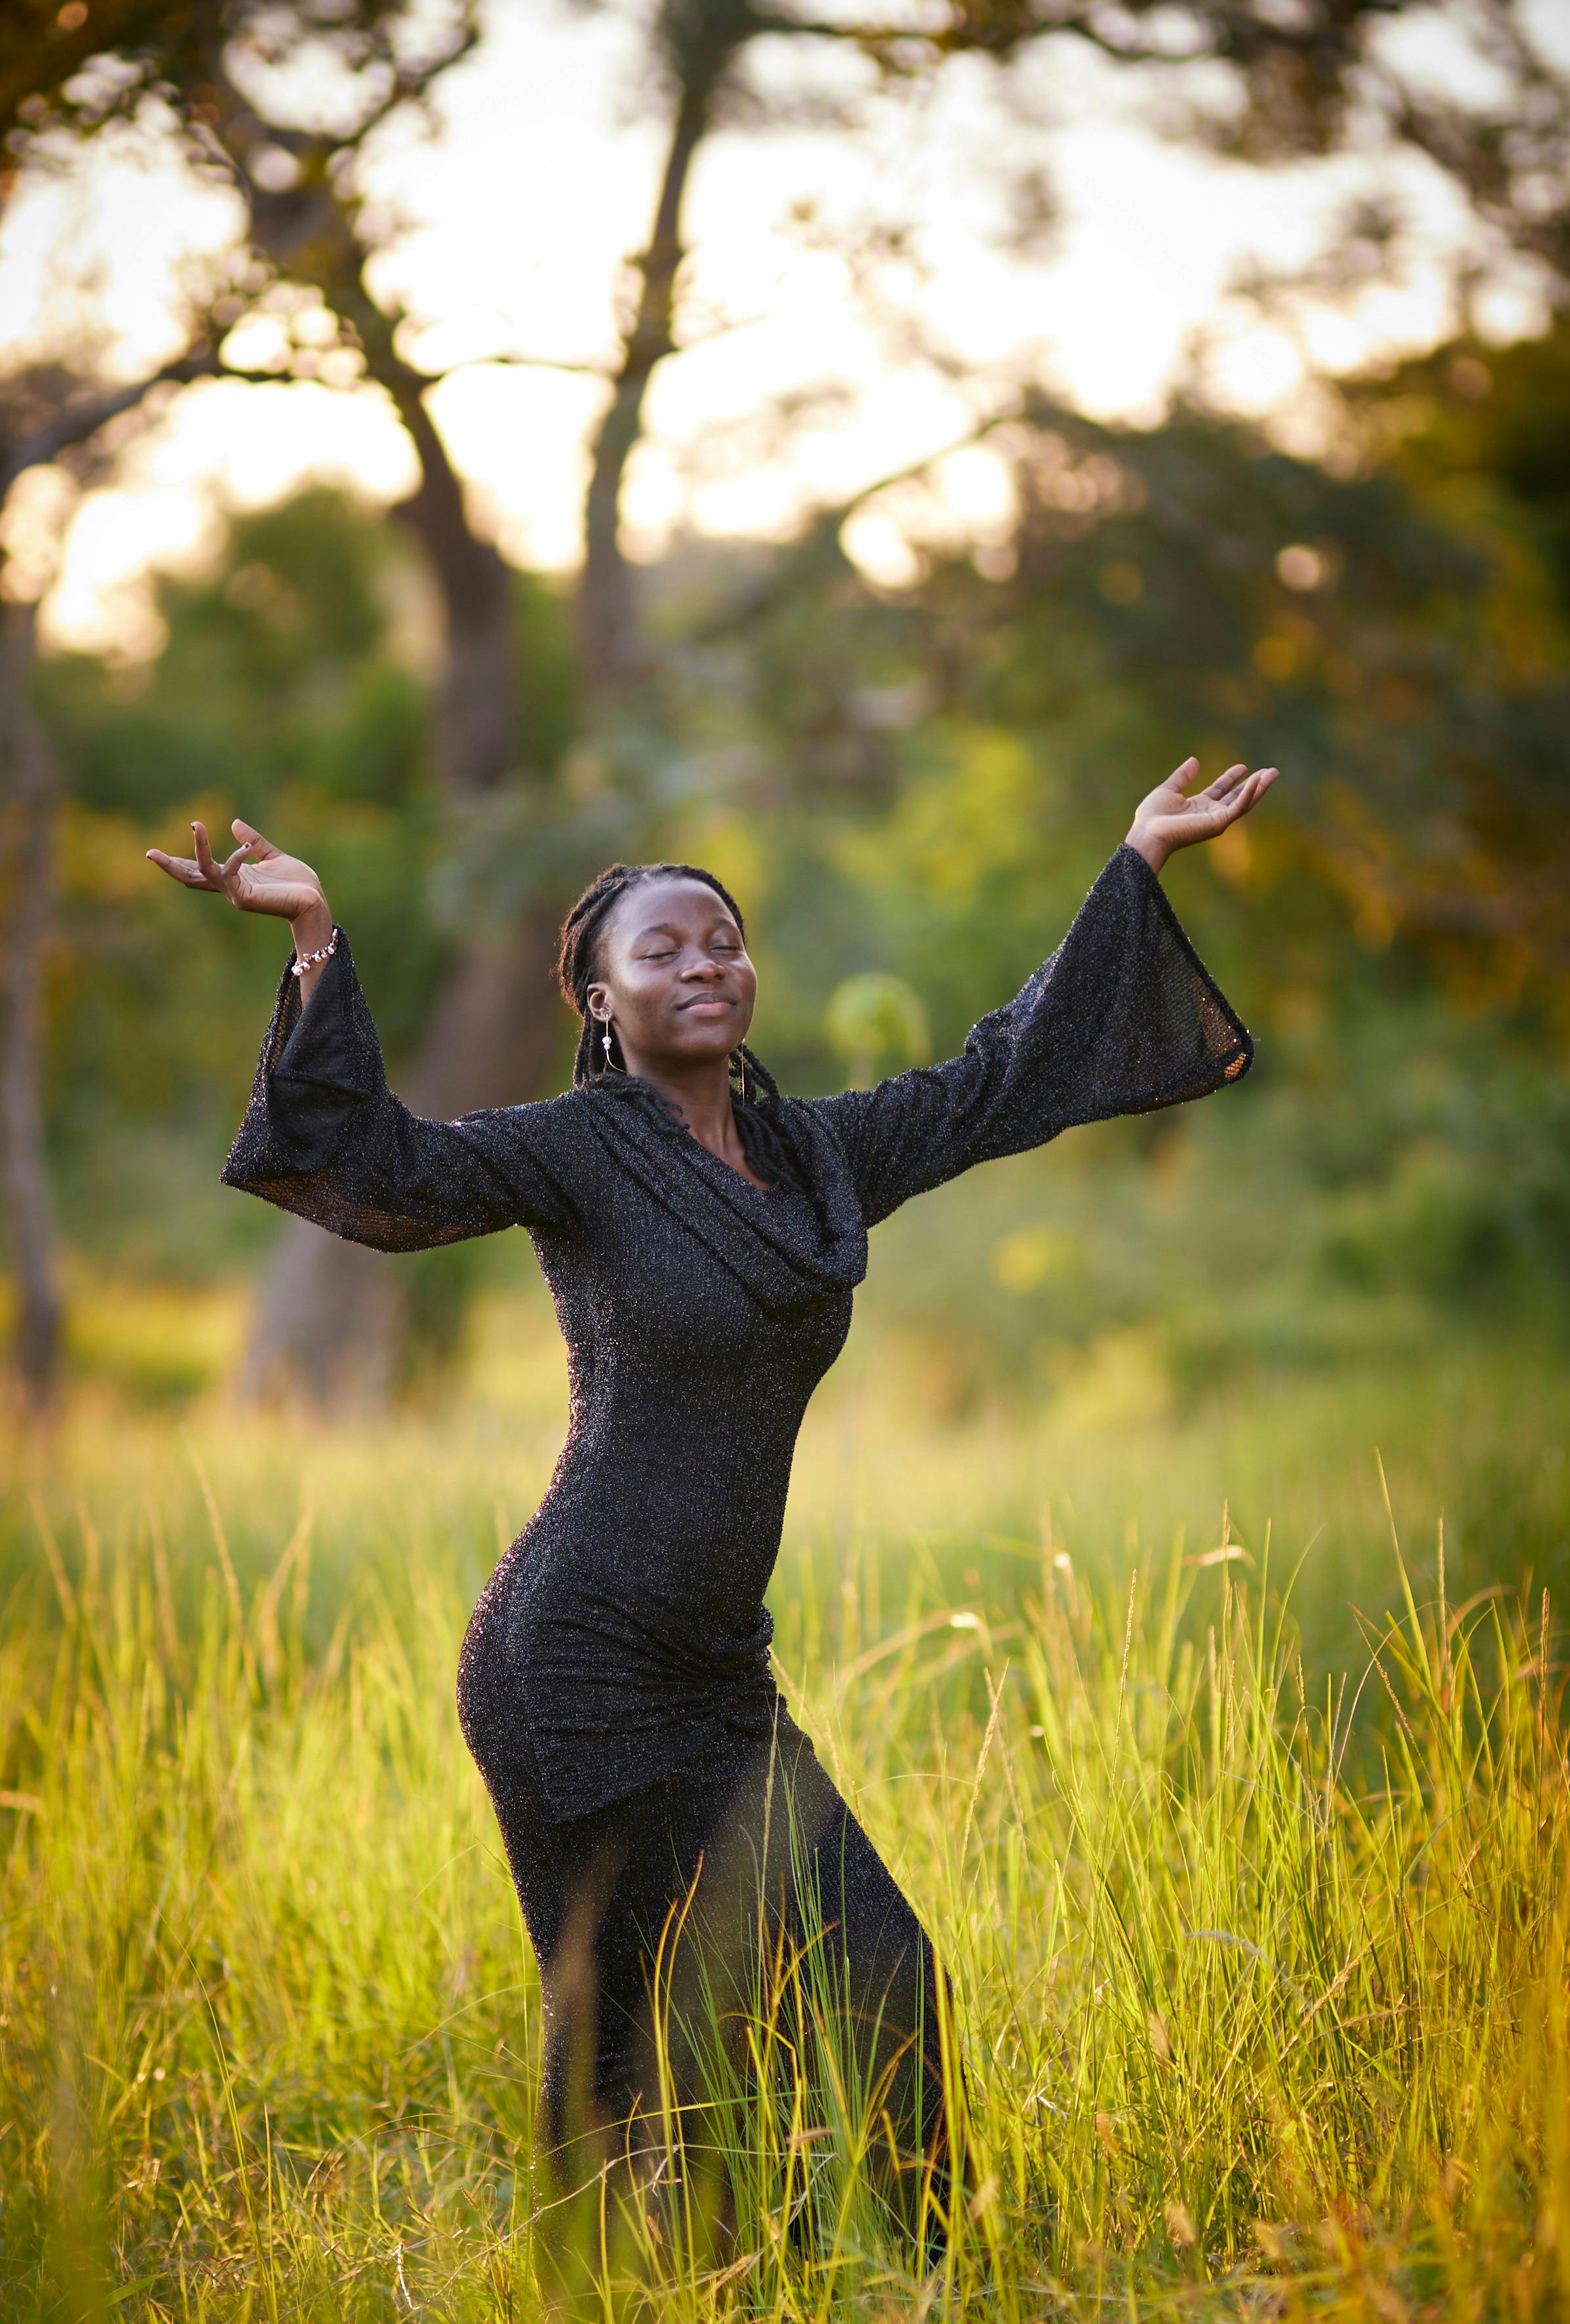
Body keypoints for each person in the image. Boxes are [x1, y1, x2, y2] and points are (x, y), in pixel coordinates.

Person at [148, 752, 1276, 2243]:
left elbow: (1002, 1076)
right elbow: (381, 1168)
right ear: (601, 1001)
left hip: (710, 1671)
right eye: (662, 948)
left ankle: (888, 2308)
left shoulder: (816, 1158)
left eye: (725, 940)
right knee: (652, 2037)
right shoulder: (578, 1151)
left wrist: (1135, 862)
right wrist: (312, 946)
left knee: (845, 1983)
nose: (706, 964)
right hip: (578, 1655)